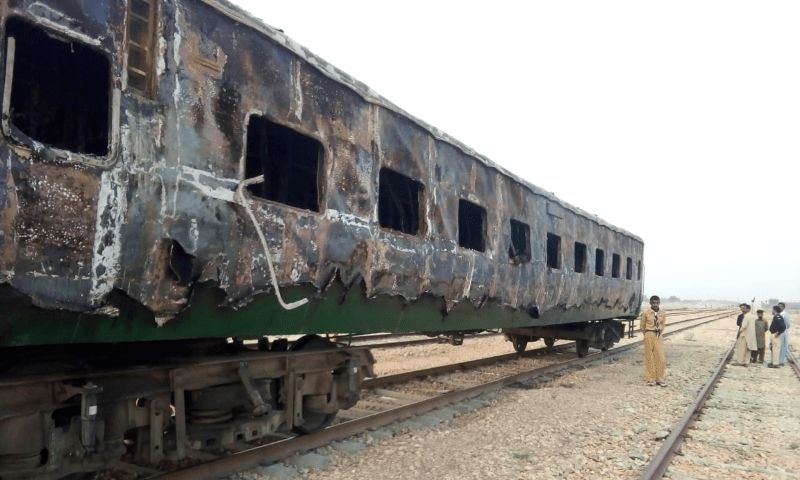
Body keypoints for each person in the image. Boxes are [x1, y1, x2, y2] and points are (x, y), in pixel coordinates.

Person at [639, 295, 667, 386]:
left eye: (657, 302)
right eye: (653, 303)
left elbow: (663, 324)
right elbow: (642, 326)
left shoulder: (662, 313)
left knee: (661, 358)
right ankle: (651, 379)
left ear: (659, 303)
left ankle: (660, 379)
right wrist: (647, 334)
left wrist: (658, 333)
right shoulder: (645, 313)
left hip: (658, 335)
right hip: (649, 334)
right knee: (649, 357)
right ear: (650, 303)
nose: (655, 304)